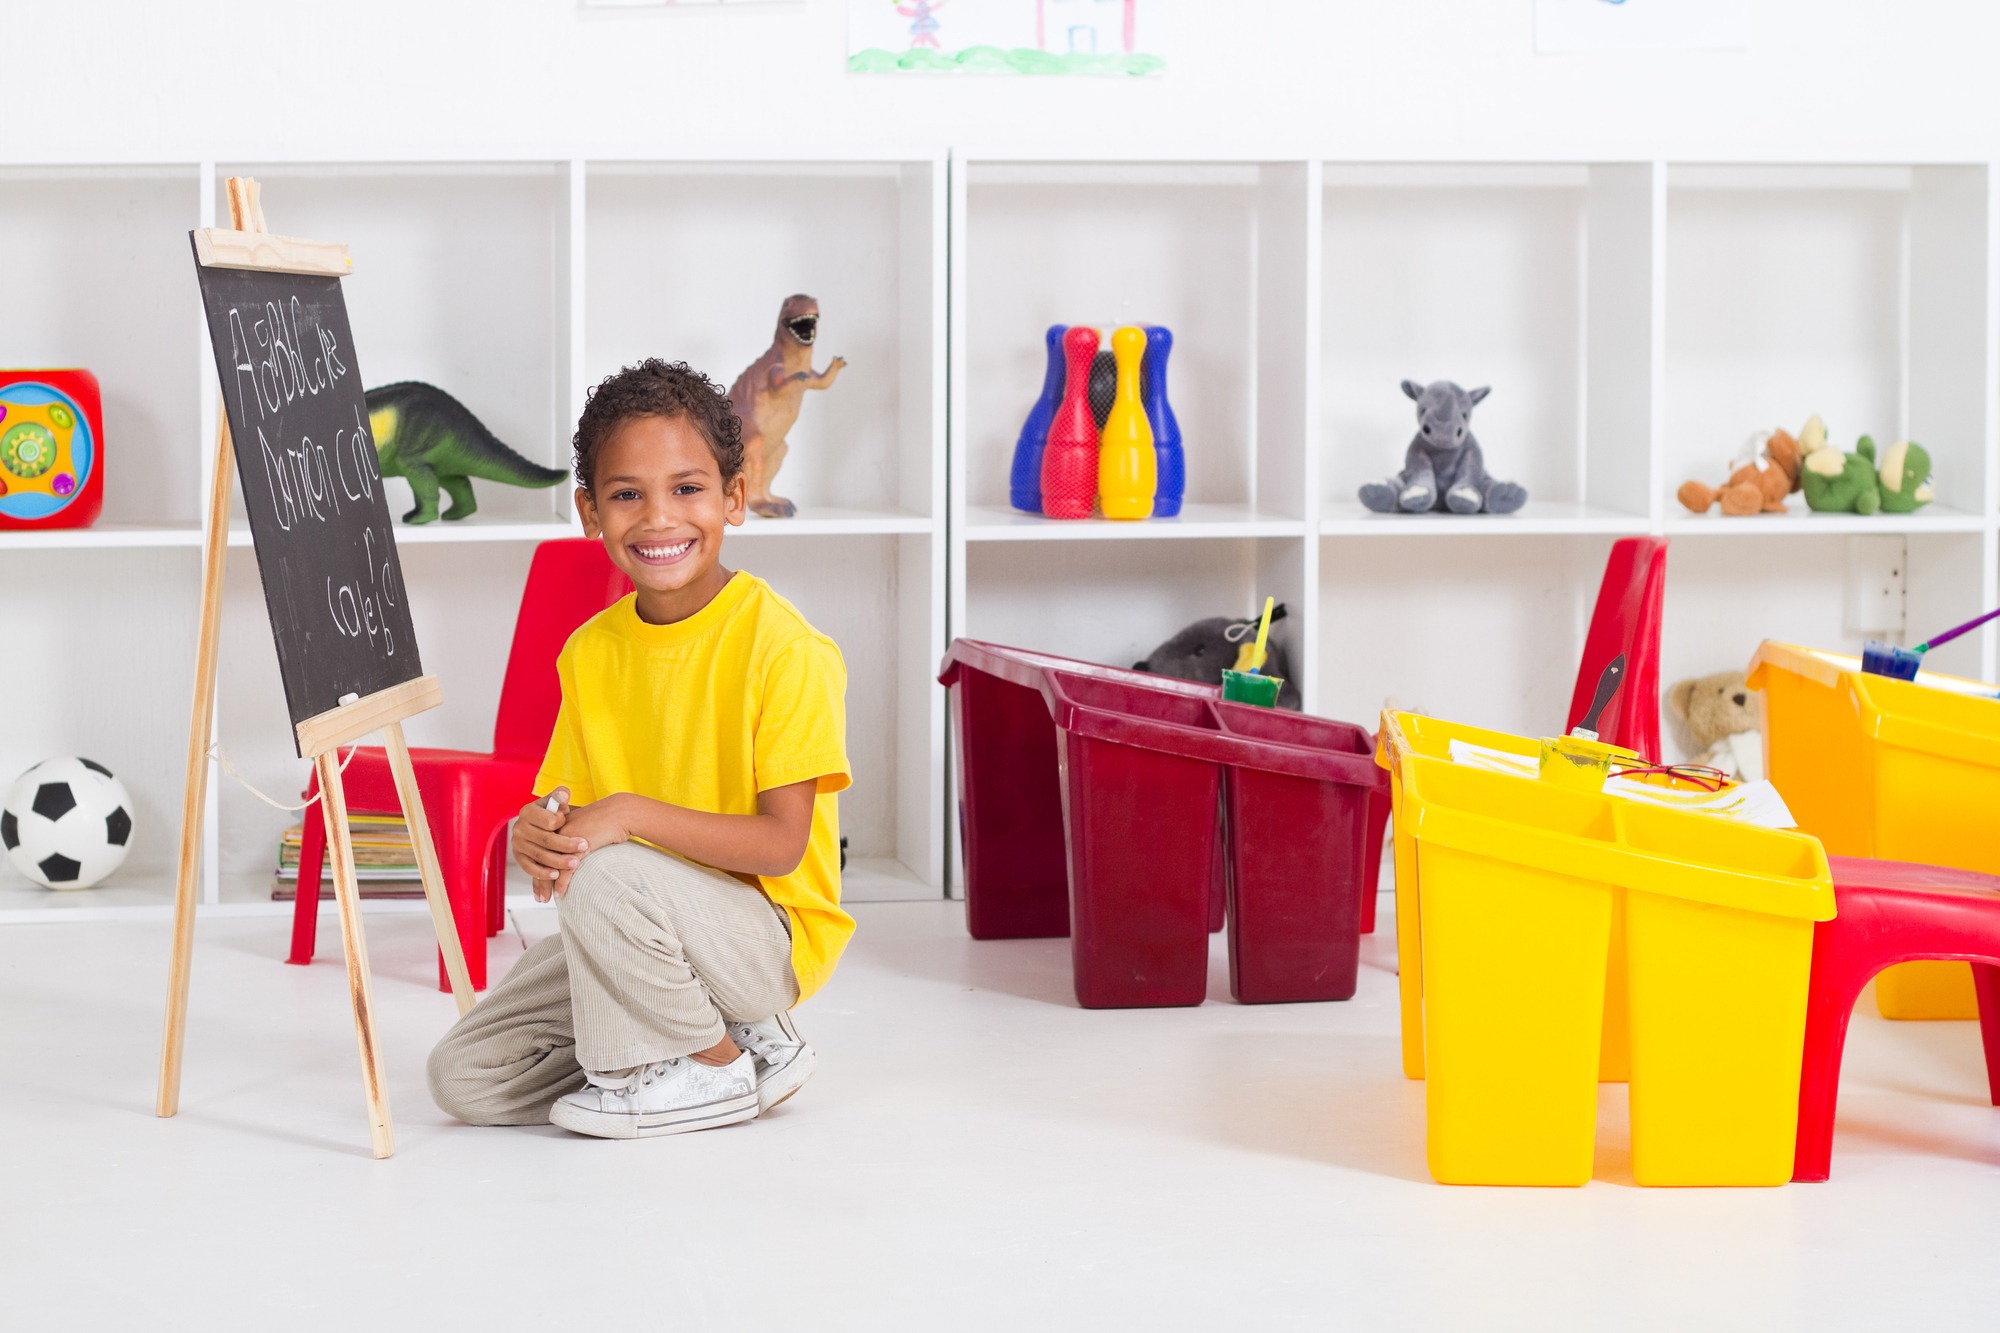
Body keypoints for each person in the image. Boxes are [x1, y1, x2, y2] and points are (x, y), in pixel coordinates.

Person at [427, 358, 851, 1140]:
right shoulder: (590, 652)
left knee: (609, 867)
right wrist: (539, 830)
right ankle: (710, 1042)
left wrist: (620, 816)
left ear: (735, 494)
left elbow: (783, 845)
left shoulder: (785, 648)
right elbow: (568, 805)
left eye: (687, 489)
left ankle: (716, 1062)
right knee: (463, 1078)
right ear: (591, 512)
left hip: (761, 937)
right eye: (627, 494)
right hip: (640, 919)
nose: (659, 518)